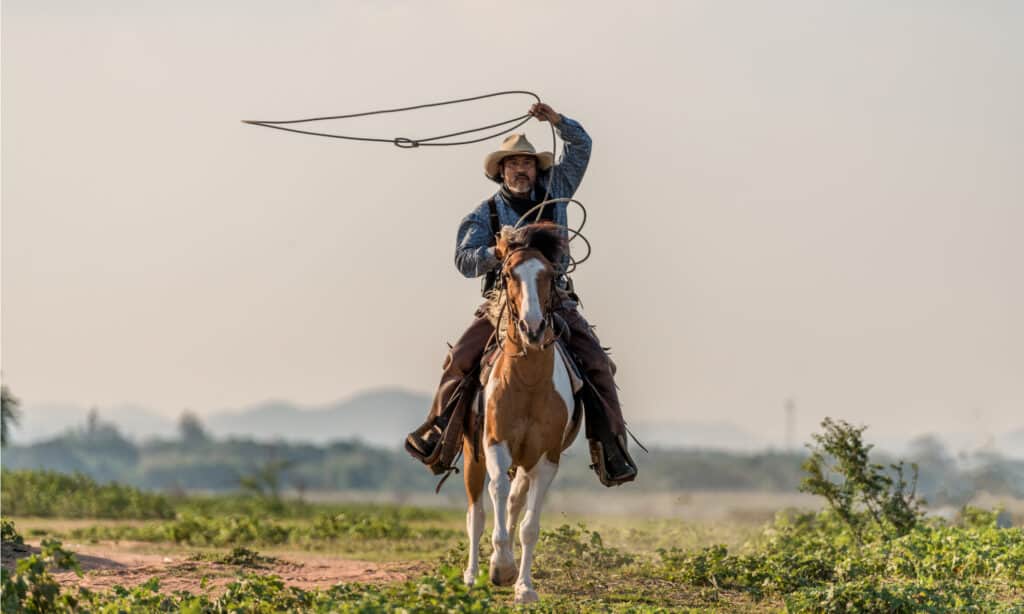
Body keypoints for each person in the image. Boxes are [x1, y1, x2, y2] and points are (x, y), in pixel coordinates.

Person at [405, 103, 637, 486]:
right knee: (460, 359)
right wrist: (493, 254)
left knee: (599, 365)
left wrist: (558, 121)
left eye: (527, 163)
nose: (520, 170)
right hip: (502, 302)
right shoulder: (485, 215)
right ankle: (438, 434)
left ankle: (610, 448)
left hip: (556, 297)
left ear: (536, 168)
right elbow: (463, 261)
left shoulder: (558, 190)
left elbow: (581, 148)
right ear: (500, 171)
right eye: (512, 164)